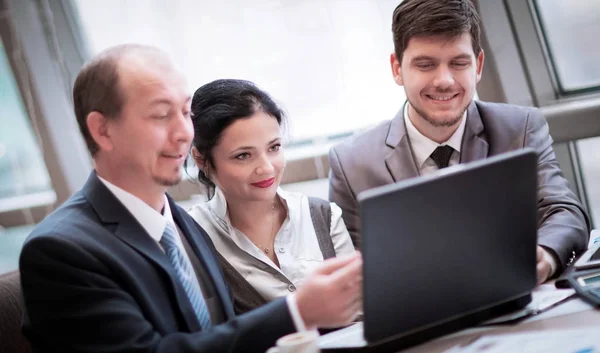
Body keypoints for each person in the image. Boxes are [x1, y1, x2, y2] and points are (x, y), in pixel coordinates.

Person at [19, 44, 363, 353]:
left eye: (185, 113)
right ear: (102, 130)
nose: (184, 133)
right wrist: (296, 312)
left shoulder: (180, 224)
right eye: (160, 114)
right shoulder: (60, 251)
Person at [328, 0, 590, 284]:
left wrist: (544, 256)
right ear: (397, 68)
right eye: (425, 65)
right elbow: (350, 276)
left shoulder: (521, 128)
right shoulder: (351, 164)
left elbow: (565, 212)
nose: (444, 80)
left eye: (459, 63)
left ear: (477, 66)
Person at [187, 79, 356, 314]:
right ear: (202, 160)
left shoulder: (324, 217)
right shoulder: (189, 237)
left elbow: (359, 314)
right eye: (243, 155)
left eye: (274, 147)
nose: (266, 168)